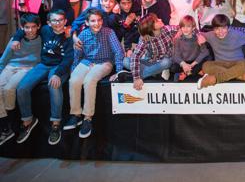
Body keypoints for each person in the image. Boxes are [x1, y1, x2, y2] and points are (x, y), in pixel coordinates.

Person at [14, 9, 73, 145]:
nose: (57, 23)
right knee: (22, 88)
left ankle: (56, 123)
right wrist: (17, 38)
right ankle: (28, 120)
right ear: (48, 22)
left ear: (65, 21)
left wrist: (58, 74)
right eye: (54, 20)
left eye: (60, 20)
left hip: (59, 67)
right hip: (44, 64)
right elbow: (25, 29)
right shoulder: (45, 30)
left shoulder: (68, 35)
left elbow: (69, 58)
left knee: (53, 85)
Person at [63, 8, 124, 138]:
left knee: (89, 80)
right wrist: (74, 69)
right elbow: (78, 56)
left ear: (102, 21)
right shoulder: (83, 34)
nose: (96, 23)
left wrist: (118, 72)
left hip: (105, 62)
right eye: (93, 21)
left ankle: (88, 118)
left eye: (99, 20)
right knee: (74, 80)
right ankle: (76, 114)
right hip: (87, 61)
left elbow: (119, 52)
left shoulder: (109, 32)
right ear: (87, 22)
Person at [0, 14, 41, 145]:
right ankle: (6, 125)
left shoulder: (42, 39)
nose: (30, 30)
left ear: (38, 26)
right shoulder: (15, 40)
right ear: (22, 27)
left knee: (9, 88)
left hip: (27, 68)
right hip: (11, 66)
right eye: (27, 27)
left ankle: (11, 121)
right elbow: (4, 59)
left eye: (33, 27)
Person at [196, 14, 245, 89]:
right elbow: (196, 33)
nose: (220, 32)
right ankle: (238, 76)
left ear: (228, 28)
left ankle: (215, 79)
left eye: (223, 28)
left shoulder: (237, 34)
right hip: (220, 64)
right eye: (217, 29)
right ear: (213, 29)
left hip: (236, 63)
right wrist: (199, 36)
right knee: (205, 65)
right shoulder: (211, 35)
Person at [125, 13, 178, 89]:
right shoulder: (145, 38)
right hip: (151, 62)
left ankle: (135, 76)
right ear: (151, 27)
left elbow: (184, 27)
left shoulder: (168, 29)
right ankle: (153, 73)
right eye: (157, 21)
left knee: (166, 62)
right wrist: (136, 78)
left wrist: (181, 33)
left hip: (163, 63)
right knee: (126, 61)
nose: (160, 19)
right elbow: (136, 56)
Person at [171, 15, 210, 81]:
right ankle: (196, 72)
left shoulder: (198, 38)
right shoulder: (177, 39)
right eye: (183, 27)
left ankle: (187, 73)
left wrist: (193, 64)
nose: (185, 29)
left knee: (208, 59)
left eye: (188, 27)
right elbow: (176, 56)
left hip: (195, 62)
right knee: (173, 68)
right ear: (180, 28)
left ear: (193, 28)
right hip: (184, 62)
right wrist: (184, 65)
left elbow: (205, 52)